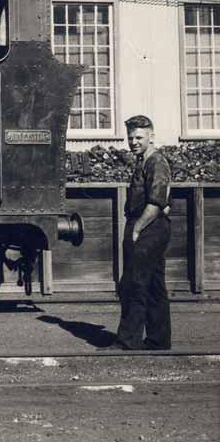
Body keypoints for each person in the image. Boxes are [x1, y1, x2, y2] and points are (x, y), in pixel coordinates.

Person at [104, 115, 172, 350]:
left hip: (149, 228)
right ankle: (158, 340)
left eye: (139, 137)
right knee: (153, 285)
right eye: (130, 137)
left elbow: (155, 203)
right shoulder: (143, 161)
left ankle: (127, 341)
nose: (133, 141)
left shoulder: (156, 162)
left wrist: (137, 229)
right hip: (150, 226)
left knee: (134, 284)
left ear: (151, 136)